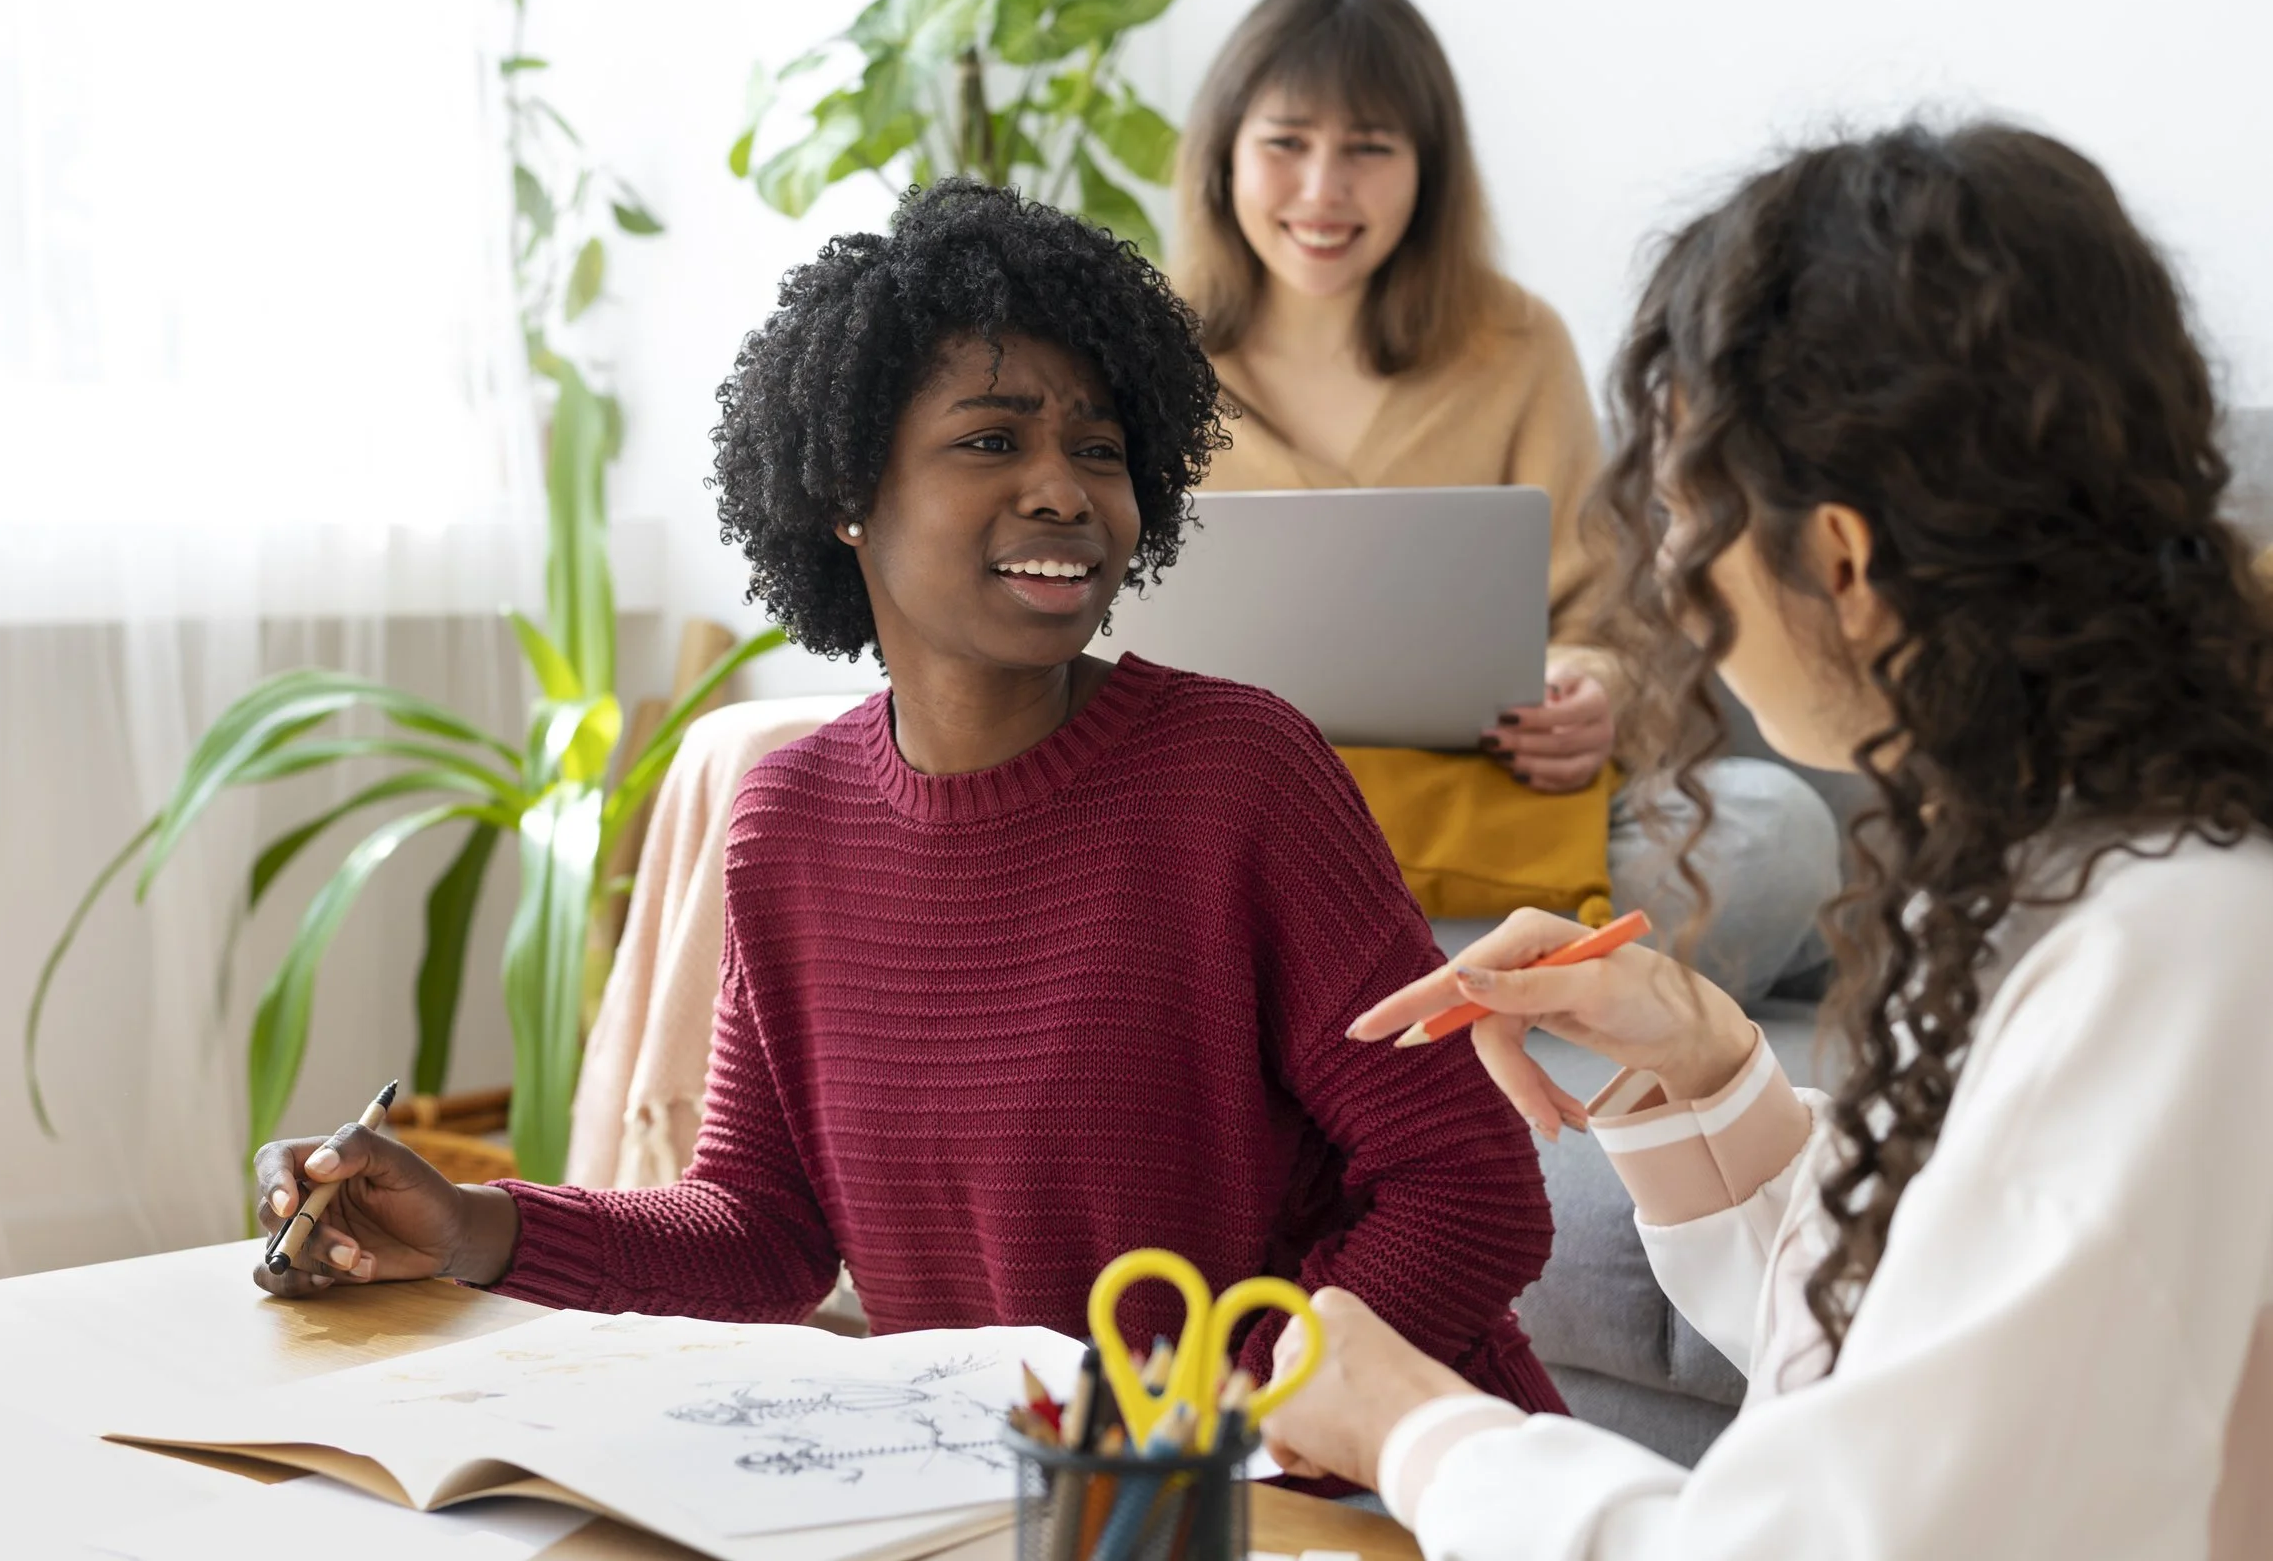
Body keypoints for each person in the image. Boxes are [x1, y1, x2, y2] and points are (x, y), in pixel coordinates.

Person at [247, 180, 1565, 1433]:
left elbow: (1473, 1188)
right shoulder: (788, 818)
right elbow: (761, 1230)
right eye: (992, 438)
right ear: (842, 499)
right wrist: (474, 1225)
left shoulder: (1238, 773)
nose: (1064, 487)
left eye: (1099, 448)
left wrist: (1221, 1422)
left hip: (1370, 1476)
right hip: (1035, 1494)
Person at [1254, 123, 2273, 1556]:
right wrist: (1710, 1071)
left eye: (1687, 510)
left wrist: (1411, 1422)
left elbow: (1849, 1532)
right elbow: (1919, 1339)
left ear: (1841, 558)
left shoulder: (2170, 943)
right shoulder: (2063, 863)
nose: (1673, 571)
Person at [1172, 0, 1840, 1001]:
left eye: (1369, 148)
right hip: (1235, 837)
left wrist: (1591, 696)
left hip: (1494, 826)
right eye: (1285, 142)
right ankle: (1496, 995)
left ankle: (1354, 1008)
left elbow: (1611, 625)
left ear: (1427, 172)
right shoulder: (1137, 354)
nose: (1321, 191)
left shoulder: (1517, 344)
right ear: (1221, 156)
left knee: (1773, 832)